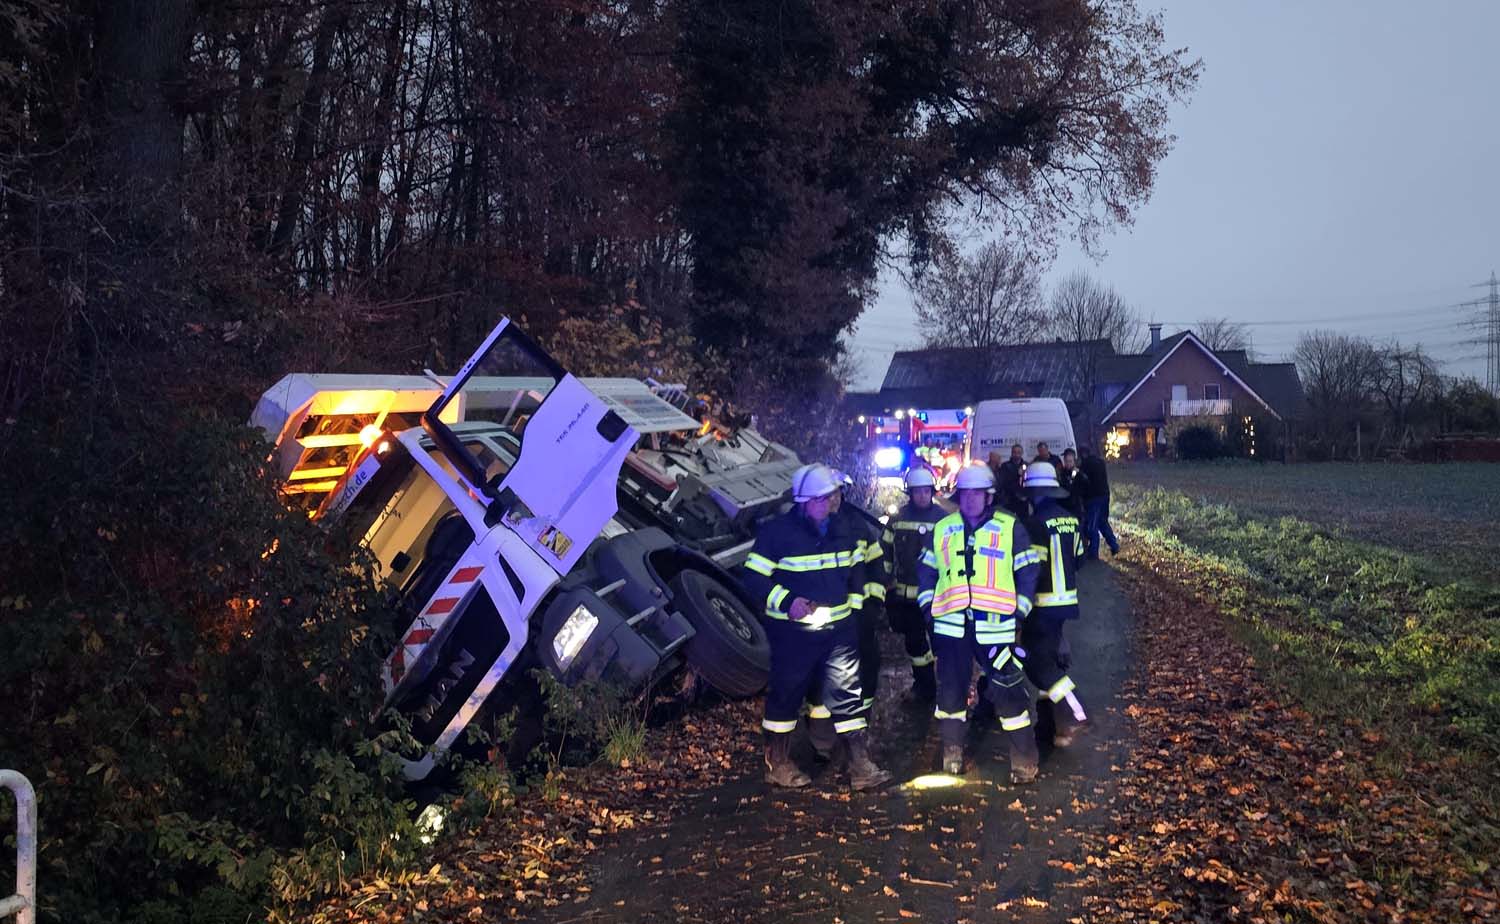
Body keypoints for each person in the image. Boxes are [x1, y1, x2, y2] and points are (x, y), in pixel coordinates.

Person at [743, 463, 891, 791]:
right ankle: (777, 764)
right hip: (793, 634)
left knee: (848, 695)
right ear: (804, 501)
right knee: (787, 695)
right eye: (824, 499)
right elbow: (752, 578)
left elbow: (856, 575)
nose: (832, 504)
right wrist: (788, 601)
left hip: (839, 632)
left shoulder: (843, 531)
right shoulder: (777, 534)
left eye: (834, 497)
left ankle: (859, 765)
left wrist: (855, 615)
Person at [916, 462, 1042, 784]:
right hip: (951, 627)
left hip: (996, 628)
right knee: (951, 691)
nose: (970, 499)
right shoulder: (943, 528)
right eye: (965, 493)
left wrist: (1020, 612)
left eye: (977, 494)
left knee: (1009, 691)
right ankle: (952, 754)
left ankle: (1024, 762)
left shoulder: (1010, 527)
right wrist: (928, 605)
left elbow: (1028, 572)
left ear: (989, 497)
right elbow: (927, 570)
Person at [1020, 462, 1091, 746]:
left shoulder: (1034, 524)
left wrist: (1022, 606)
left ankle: (1076, 712)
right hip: (1065, 604)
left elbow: (1031, 569)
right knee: (1047, 659)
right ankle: (1051, 727)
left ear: (1034, 493)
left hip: (1041, 605)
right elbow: (1080, 558)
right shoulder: (1070, 519)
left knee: (1038, 665)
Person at [880, 467, 947, 702]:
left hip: (938, 597)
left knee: (944, 643)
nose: (921, 495)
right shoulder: (898, 518)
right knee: (915, 644)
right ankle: (925, 687)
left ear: (932, 491)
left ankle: (949, 690)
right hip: (906, 596)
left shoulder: (943, 519)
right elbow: (885, 550)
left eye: (925, 491)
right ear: (910, 493)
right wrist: (885, 579)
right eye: (917, 491)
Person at [1078, 445, 1120, 559]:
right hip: (1104, 496)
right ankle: (1114, 545)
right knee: (1102, 522)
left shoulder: (1085, 465)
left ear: (1083, 454)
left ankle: (1093, 554)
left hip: (1093, 498)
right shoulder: (1100, 462)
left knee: (1092, 526)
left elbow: (1082, 481)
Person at [995, 443, 1027, 516]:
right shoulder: (1005, 466)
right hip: (1009, 499)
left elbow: (1028, 482)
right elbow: (1003, 483)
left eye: (1018, 452)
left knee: (1024, 521)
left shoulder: (1026, 465)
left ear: (1022, 453)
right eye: (1014, 452)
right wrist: (1017, 475)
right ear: (1012, 453)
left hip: (1023, 500)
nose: (1016, 454)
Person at [1057, 448, 1087, 521]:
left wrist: (1078, 474)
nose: (1068, 464)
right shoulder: (1062, 472)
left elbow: (1085, 483)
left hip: (1075, 506)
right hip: (1064, 505)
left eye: (1070, 461)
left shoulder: (1078, 473)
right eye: (1066, 461)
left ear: (1074, 461)